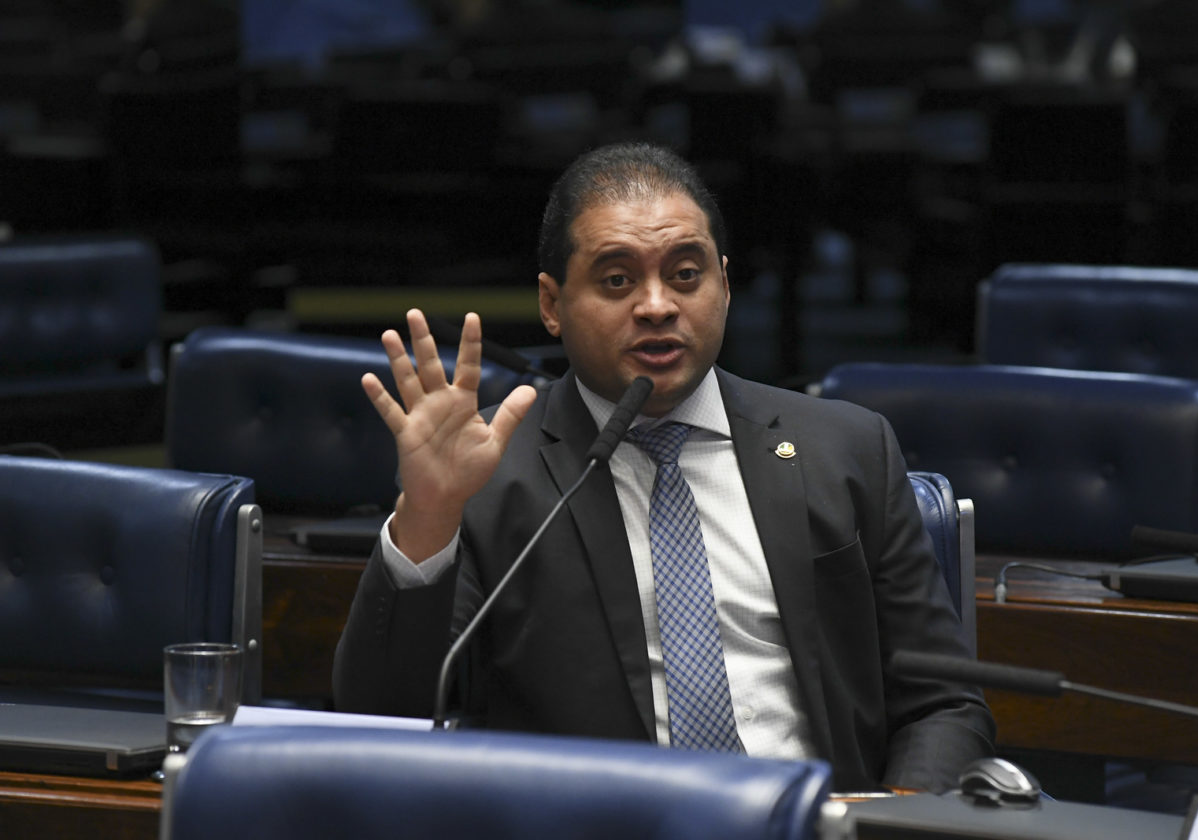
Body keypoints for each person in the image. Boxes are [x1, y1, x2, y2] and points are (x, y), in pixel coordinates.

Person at [333, 141, 994, 792]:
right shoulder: (489, 471)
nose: (657, 305)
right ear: (551, 304)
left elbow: (942, 703)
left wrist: (893, 822)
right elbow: (385, 719)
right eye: (616, 279)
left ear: (726, 286)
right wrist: (428, 515)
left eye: (686, 274)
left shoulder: (845, 447)